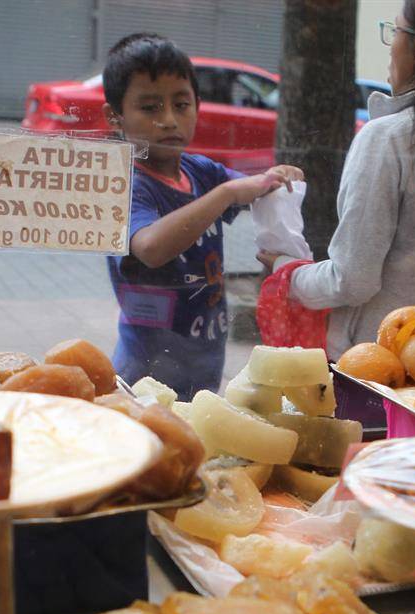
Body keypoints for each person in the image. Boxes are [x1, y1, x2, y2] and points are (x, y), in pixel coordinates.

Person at [260, 0, 415, 362]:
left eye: (395, 31)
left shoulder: (390, 138)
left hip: (382, 366)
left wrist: (285, 270)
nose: (391, 44)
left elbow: (352, 280)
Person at [103, 33, 303, 399]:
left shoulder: (200, 172)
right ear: (115, 117)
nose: (168, 120)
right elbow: (149, 246)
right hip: (145, 373)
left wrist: (278, 181)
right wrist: (226, 193)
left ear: (197, 104)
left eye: (181, 104)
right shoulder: (123, 184)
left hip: (204, 362)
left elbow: (257, 189)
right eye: (149, 108)